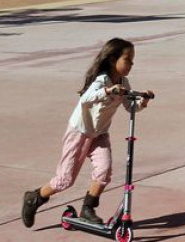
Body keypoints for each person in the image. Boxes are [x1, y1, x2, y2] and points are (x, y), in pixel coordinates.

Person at [21, 38, 155, 228]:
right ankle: (34, 198)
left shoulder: (124, 82)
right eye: (127, 60)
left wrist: (143, 100)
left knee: (104, 171)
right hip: (79, 132)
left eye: (132, 61)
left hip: (99, 134)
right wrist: (108, 91)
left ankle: (88, 208)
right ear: (112, 60)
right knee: (64, 181)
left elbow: (129, 106)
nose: (131, 65)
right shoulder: (101, 81)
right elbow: (86, 99)